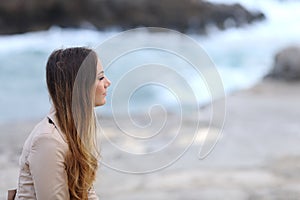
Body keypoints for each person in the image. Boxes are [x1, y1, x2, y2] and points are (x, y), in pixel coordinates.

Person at [15, 47, 111, 200]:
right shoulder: (48, 141)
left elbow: (87, 193)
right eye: (100, 78)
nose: (108, 83)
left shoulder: (74, 129)